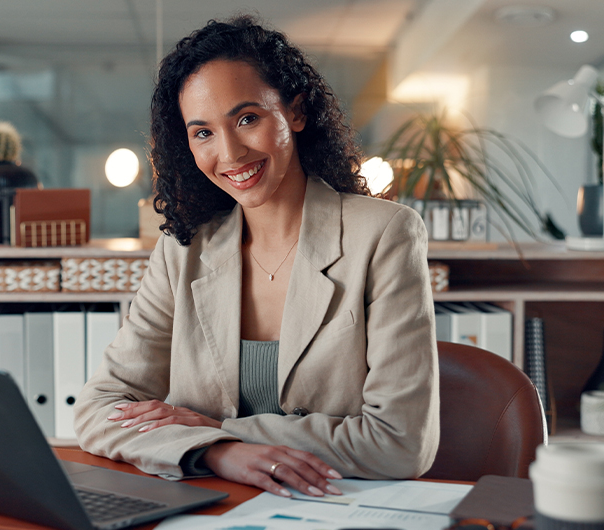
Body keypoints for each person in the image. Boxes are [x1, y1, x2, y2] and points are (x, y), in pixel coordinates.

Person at [74, 15, 439, 498]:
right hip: (211, 505)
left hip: (333, 507)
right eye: (202, 132)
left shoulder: (385, 234)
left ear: (296, 113)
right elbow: (99, 410)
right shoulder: (183, 250)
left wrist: (218, 429)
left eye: (247, 118)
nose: (229, 153)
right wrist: (217, 453)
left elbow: (400, 444)